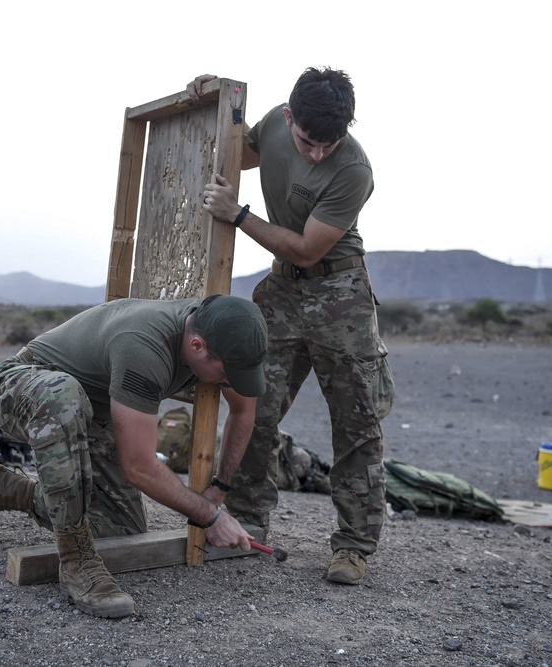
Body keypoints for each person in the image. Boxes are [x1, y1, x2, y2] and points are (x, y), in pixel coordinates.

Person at [188, 67, 396, 585]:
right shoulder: (275, 127)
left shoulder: (354, 169)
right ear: (288, 117)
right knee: (252, 404)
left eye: (330, 143)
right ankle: (250, 519)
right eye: (308, 141)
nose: (317, 153)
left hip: (340, 295)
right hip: (281, 291)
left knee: (356, 424)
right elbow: (235, 151)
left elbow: (307, 248)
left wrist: (237, 215)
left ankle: (352, 547)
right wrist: (209, 102)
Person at [0, 294, 267, 618]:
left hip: (91, 412)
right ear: (197, 346)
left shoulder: (221, 332)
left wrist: (219, 488)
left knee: (120, 531)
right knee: (63, 396)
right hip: (24, 384)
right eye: (227, 374)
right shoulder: (144, 345)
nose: (229, 382)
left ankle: (4, 488)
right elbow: (140, 467)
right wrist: (210, 517)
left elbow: (244, 409)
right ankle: (78, 563)